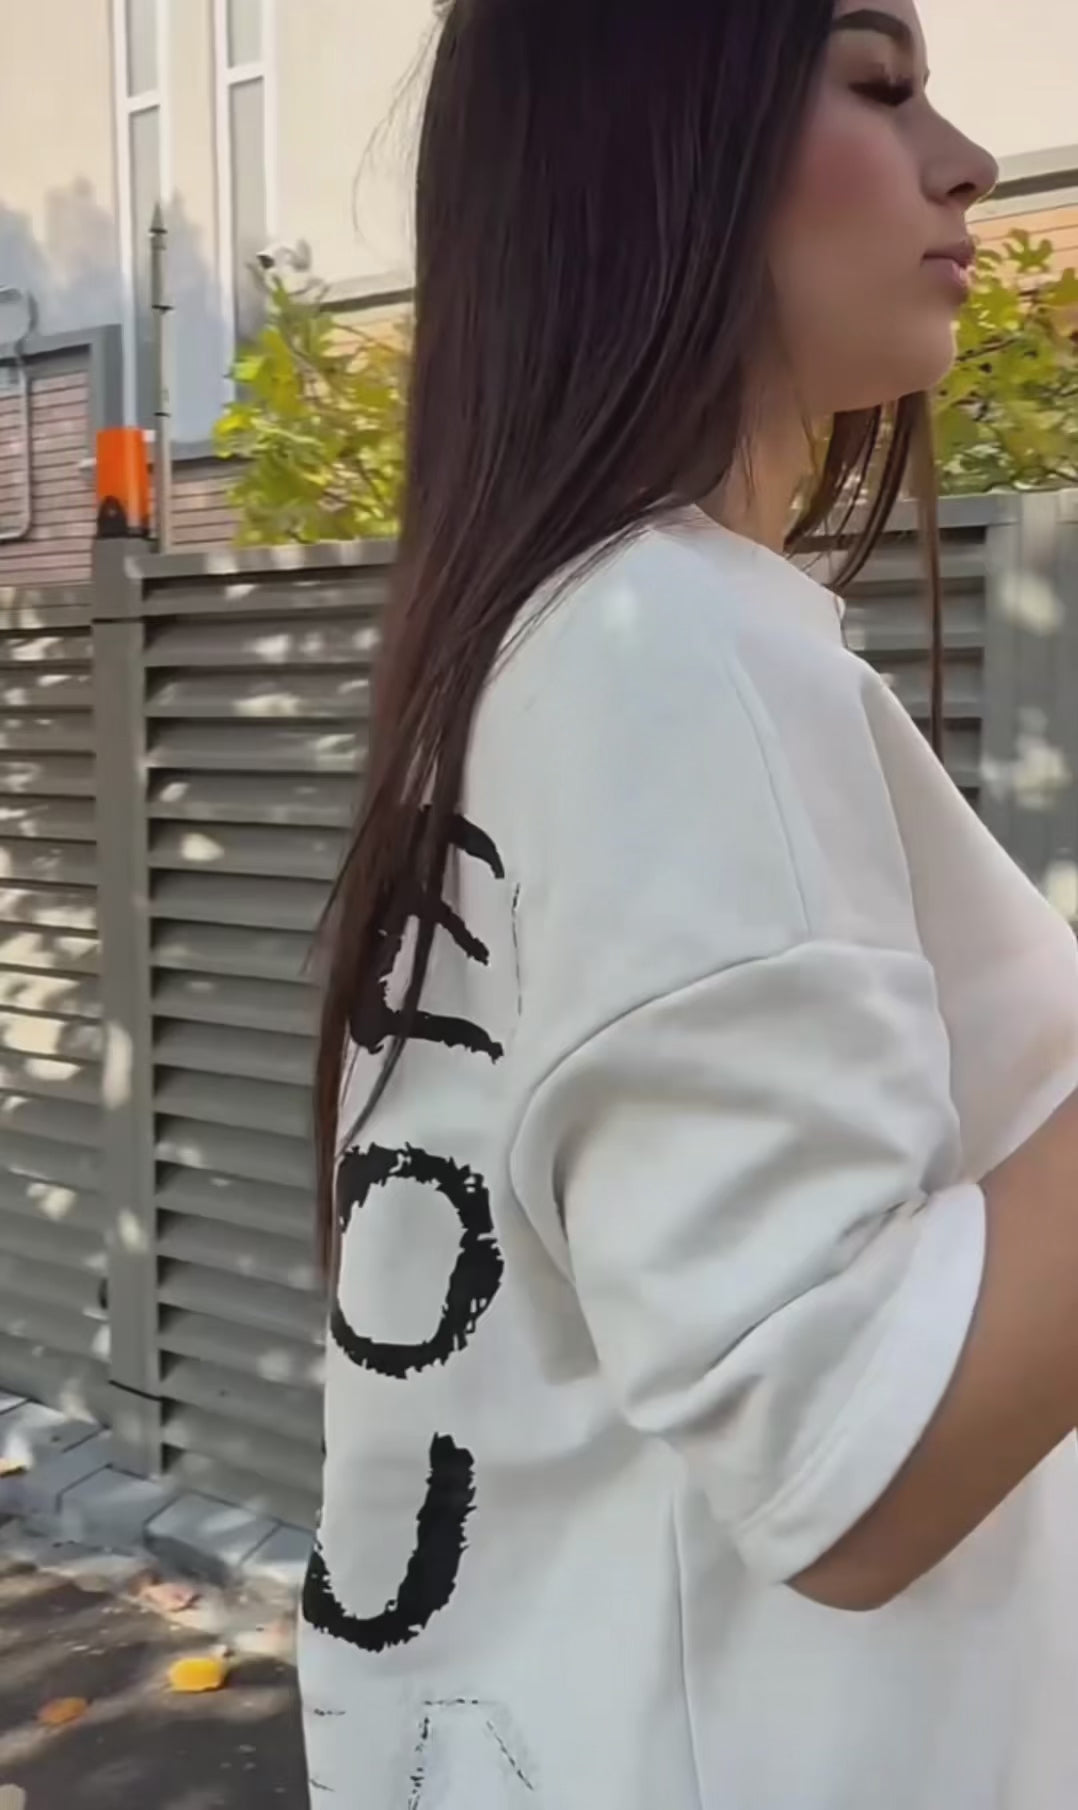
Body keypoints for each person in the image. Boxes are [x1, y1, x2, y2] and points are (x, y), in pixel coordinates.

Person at [299, 2, 1078, 1805]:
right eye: (876, 84)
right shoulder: (667, 651)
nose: (966, 162)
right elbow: (852, 1464)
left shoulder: (558, 646)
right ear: (656, 144)